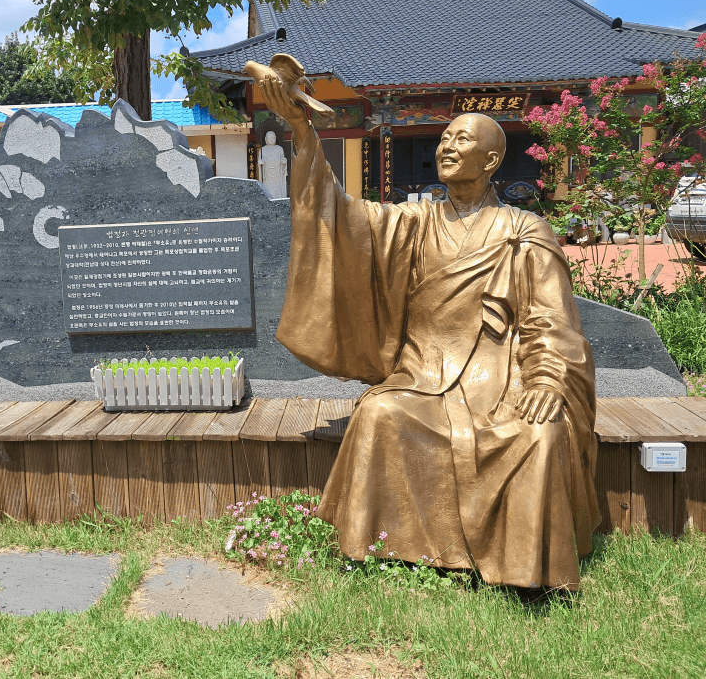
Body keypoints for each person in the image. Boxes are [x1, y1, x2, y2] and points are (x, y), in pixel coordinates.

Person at [252, 58, 599, 590]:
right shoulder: (415, 222)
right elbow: (340, 215)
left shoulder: (524, 231)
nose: (446, 146)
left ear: (492, 159)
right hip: (424, 373)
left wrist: (549, 380)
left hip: (499, 377)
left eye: (462, 140)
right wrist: (301, 129)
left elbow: (551, 320)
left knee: (540, 435)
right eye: (443, 139)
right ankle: (385, 549)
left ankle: (523, 568)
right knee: (381, 413)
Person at [259, 130, 288, 199]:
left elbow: (283, 161)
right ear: (266, 139)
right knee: (267, 189)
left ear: (275, 138)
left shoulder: (279, 149)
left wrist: (284, 163)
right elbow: (260, 163)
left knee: (278, 191)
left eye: (273, 138)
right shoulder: (262, 150)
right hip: (267, 174)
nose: (271, 139)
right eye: (269, 138)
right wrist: (260, 163)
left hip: (278, 174)